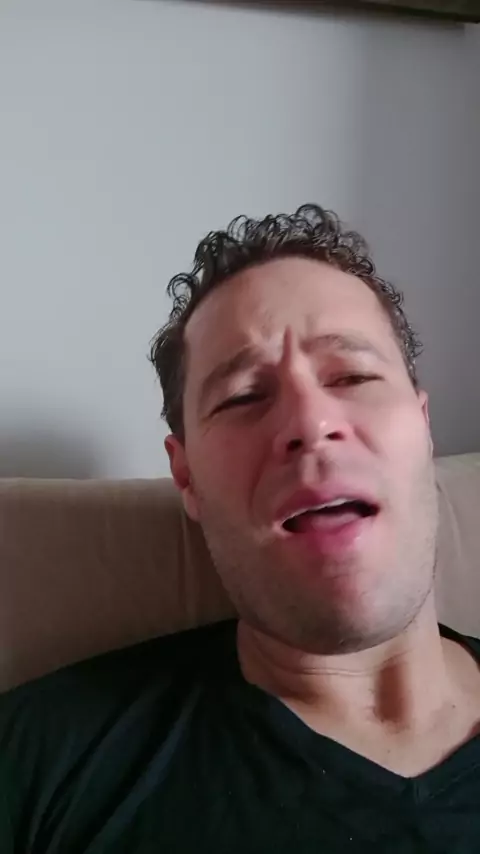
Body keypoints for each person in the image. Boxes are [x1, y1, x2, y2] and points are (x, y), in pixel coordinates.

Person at [1, 205, 480, 853]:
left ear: (422, 428)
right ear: (186, 475)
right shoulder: (36, 765)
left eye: (352, 375)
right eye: (244, 397)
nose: (311, 422)